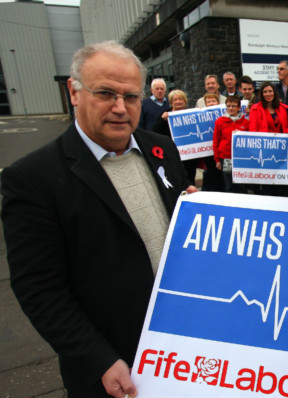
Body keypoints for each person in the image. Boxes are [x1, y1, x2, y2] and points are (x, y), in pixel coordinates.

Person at [1, 41, 196, 398]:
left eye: (132, 97)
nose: (121, 108)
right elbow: (39, 289)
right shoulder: (33, 178)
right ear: (74, 93)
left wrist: (198, 210)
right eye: (106, 93)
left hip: (182, 348)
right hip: (115, 366)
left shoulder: (161, 149)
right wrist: (98, 359)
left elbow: (176, 211)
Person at [249, 81, 288, 196]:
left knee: (279, 179)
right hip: (264, 150)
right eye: (265, 92)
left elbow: (284, 128)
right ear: (261, 94)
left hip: (280, 150)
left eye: (270, 91)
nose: (268, 94)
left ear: (274, 93)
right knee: (267, 181)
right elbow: (252, 131)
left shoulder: (282, 108)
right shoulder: (255, 109)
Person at [213, 95, 249, 193]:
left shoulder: (245, 123)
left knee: (241, 185)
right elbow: (216, 140)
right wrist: (217, 160)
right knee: (228, 185)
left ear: (238, 107)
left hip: (240, 158)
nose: (231, 108)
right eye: (228, 106)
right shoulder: (220, 121)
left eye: (233, 106)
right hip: (225, 157)